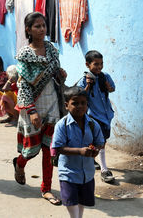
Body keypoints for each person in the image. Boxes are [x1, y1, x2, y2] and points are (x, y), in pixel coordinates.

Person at [13, 11, 67, 205]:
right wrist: (32, 111)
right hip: (33, 106)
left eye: (43, 25)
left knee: (49, 149)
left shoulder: (52, 49)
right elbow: (24, 86)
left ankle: (46, 189)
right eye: (37, 26)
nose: (41, 29)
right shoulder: (25, 55)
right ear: (28, 29)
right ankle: (19, 165)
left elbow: (55, 75)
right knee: (30, 150)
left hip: (52, 103)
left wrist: (61, 74)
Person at [52, 86, 105, 218]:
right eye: (75, 103)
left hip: (87, 173)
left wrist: (95, 150)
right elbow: (58, 147)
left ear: (87, 104)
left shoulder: (93, 124)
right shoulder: (62, 125)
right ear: (66, 105)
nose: (80, 106)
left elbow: (100, 142)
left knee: (82, 200)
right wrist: (79, 151)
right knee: (71, 201)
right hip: (68, 173)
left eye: (83, 103)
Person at [78, 50, 116, 183]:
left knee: (100, 140)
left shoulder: (105, 76)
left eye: (101, 64)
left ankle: (93, 159)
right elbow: (81, 96)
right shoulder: (84, 80)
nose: (99, 67)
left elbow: (112, 89)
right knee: (101, 142)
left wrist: (108, 86)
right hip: (93, 116)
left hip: (106, 115)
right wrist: (89, 84)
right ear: (87, 65)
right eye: (96, 64)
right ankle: (105, 170)